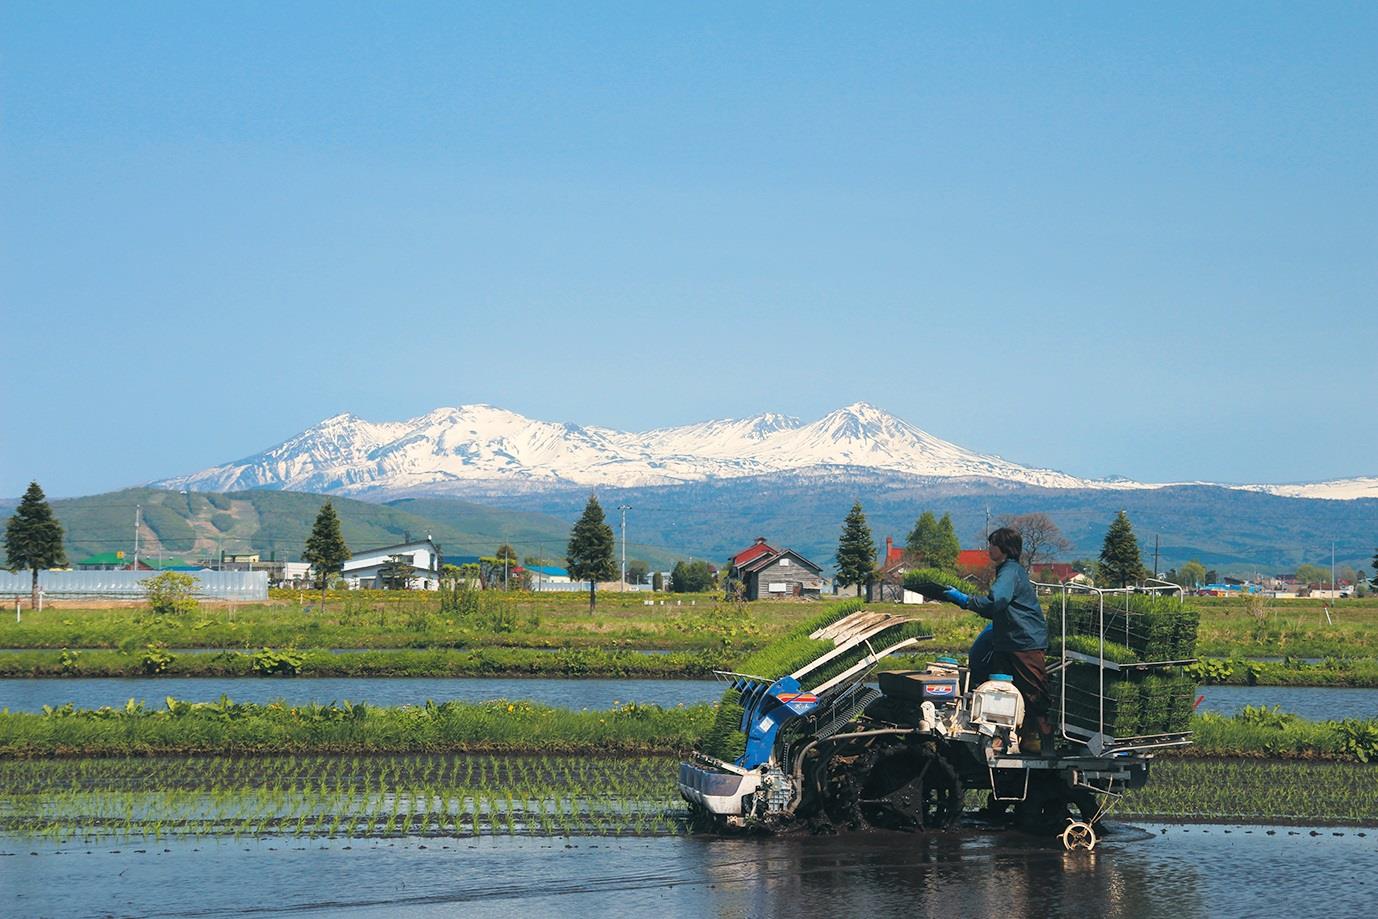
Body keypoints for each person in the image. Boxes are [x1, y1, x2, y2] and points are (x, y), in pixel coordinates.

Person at [941, 527, 1053, 754]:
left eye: (992, 544)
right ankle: (1007, 740)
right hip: (1008, 640)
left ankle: (1045, 745)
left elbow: (995, 603)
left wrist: (963, 600)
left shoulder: (1010, 572)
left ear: (1004, 548)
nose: (989, 548)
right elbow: (996, 610)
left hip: (1024, 641)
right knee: (1000, 689)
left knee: (1033, 692)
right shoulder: (1007, 571)